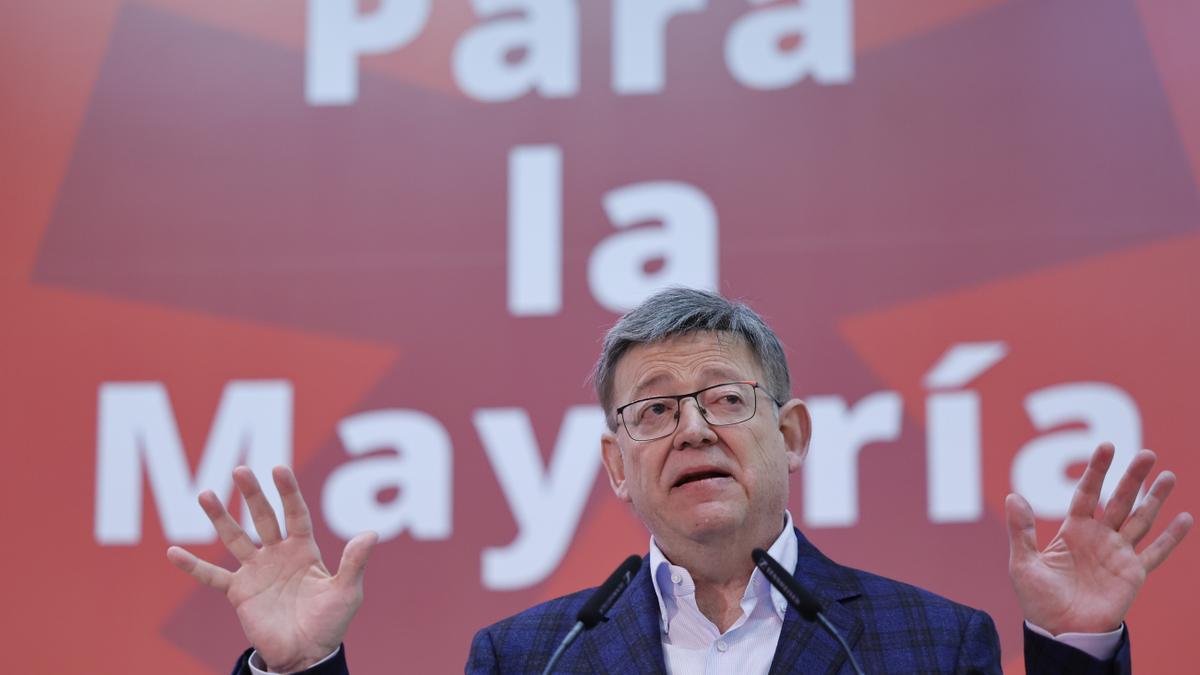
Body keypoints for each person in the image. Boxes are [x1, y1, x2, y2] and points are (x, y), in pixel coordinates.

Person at [168, 288, 1193, 674]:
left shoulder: (928, 642)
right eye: (655, 409)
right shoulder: (532, 657)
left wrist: (1075, 650)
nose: (692, 426)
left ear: (790, 433)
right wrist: (297, 674)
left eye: (726, 400)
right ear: (617, 465)